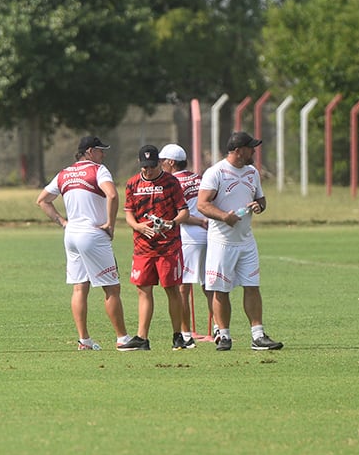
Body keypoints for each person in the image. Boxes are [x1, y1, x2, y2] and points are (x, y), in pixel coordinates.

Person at [36, 135, 130, 351]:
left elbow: (42, 200)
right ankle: (123, 338)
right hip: (93, 235)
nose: (103, 154)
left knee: (80, 288)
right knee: (111, 288)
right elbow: (113, 195)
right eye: (100, 150)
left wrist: (62, 221)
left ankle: (84, 340)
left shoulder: (64, 173)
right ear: (89, 151)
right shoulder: (98, 170)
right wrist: (110, 224)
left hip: (71, 235)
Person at [195, 131, 284, 352]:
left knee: (252, 286)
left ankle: (258, 335)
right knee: (221, 290)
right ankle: (223, 335)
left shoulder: (252, 172)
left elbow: (260, 198)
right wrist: (225, 216)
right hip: (221, 242)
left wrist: (259, 206)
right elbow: (202, 205)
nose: (254, 150)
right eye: (250, 147)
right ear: (238, 151)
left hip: (246, 241)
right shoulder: (216, 172)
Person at [121, 144, 190, 352]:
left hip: (168, 246)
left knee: (172, 289)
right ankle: (142, 338)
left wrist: (171, 223)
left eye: (151, 166)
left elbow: (184, 212)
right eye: (144, 167)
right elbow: (129, 213)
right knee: (143, 290)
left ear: (160, 163)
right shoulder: (132, 183)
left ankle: (178, 336)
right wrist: (138, 226)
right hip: (142, 247)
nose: (147, 171)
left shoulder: (171, 182)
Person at [159, 143, 210, 349]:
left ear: (171, 162)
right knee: (211, 285)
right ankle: (220, 330)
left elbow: (178, 214)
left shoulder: (171, 182)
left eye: (163, 161)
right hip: (210, 235)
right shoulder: (199, 178)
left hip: (188, 237)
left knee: (183, 287)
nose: (161, 164)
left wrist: (197, 221)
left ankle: (186, 334)